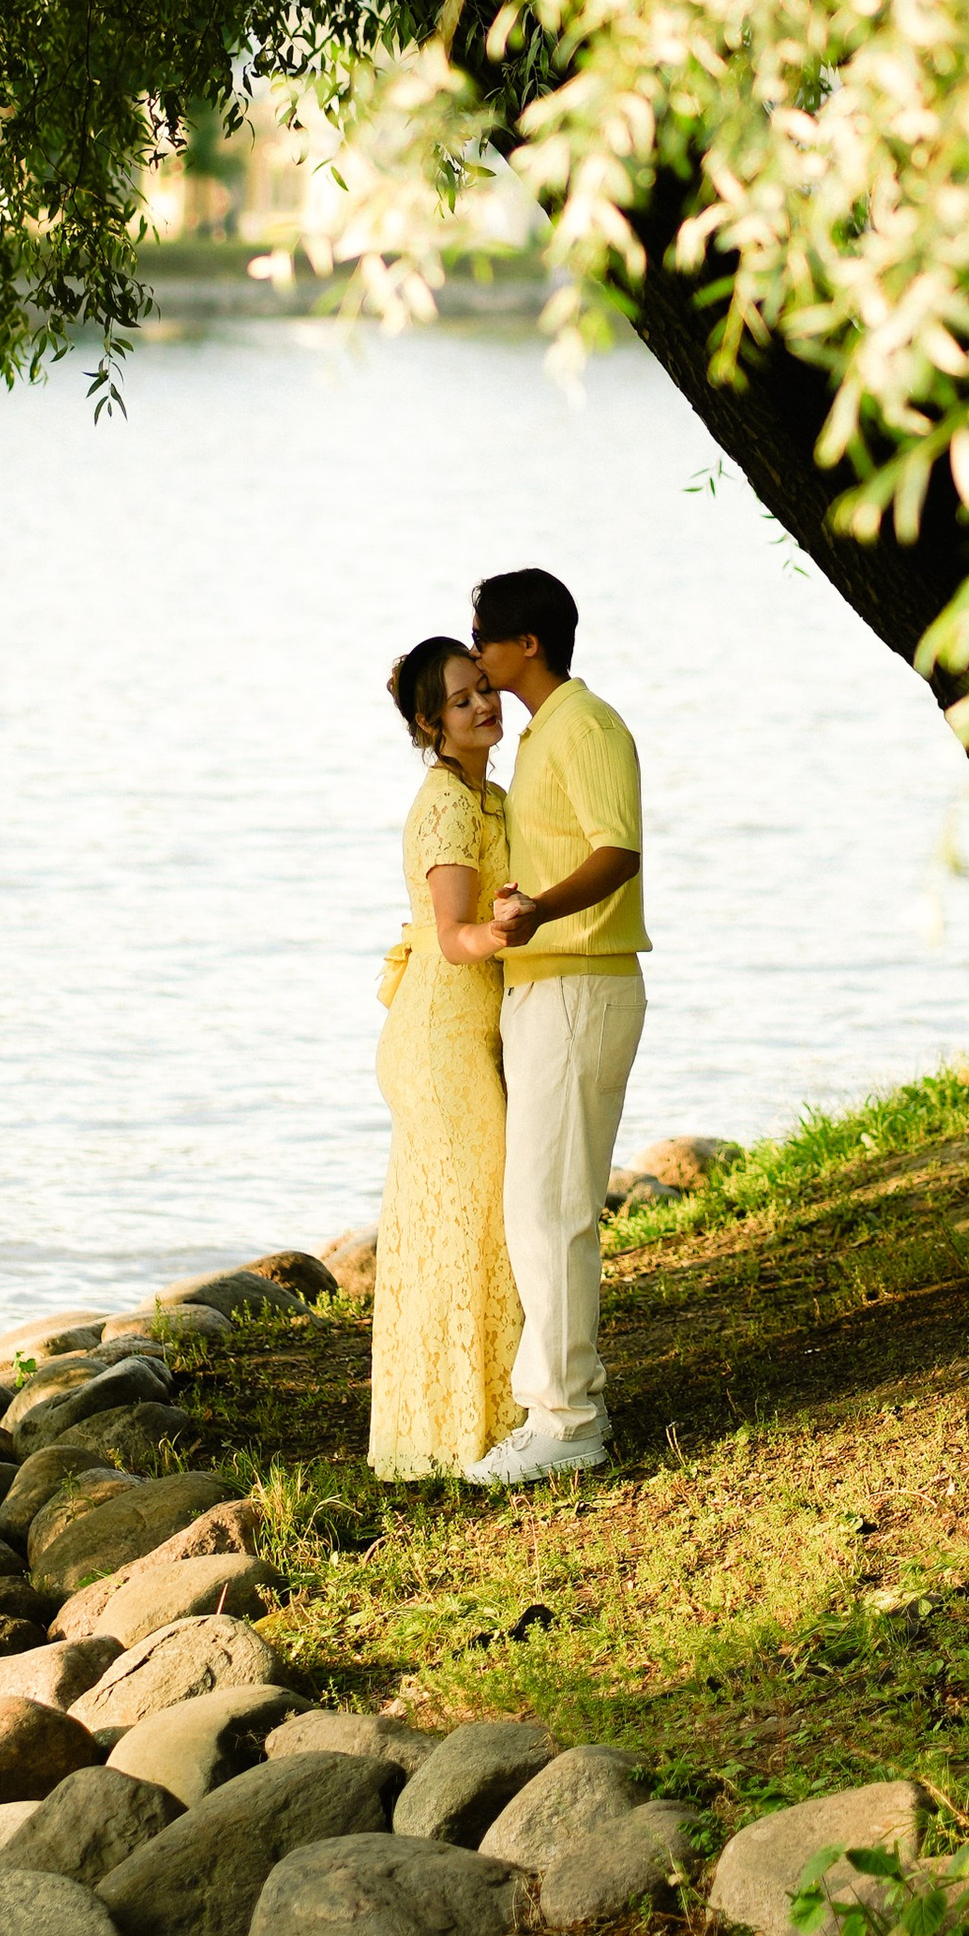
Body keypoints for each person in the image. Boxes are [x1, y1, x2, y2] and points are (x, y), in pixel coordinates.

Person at [462, 567, 647, 1485]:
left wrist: (538, 909)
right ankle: (561, 1403)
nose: (475, 652)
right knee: (534, 1206)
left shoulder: (588, 726)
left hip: (582, 981)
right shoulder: (542, 736)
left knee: (554, 1208)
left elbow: (620, 849)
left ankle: (568, 1421)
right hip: (543, 984)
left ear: (525, 645)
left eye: (482, 637)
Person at [366, 636, 527, 1478]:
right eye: (463, 701)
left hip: (471, 1027)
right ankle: (458, 1436)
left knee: (475, 1226)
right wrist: (506, 927)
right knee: (464, 1229)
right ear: (433, 723)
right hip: (441, 1034)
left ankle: (488, 1421)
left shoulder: (489, 795)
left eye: (485, 689)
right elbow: (457, 937)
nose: (483, 706)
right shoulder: (448, 805)